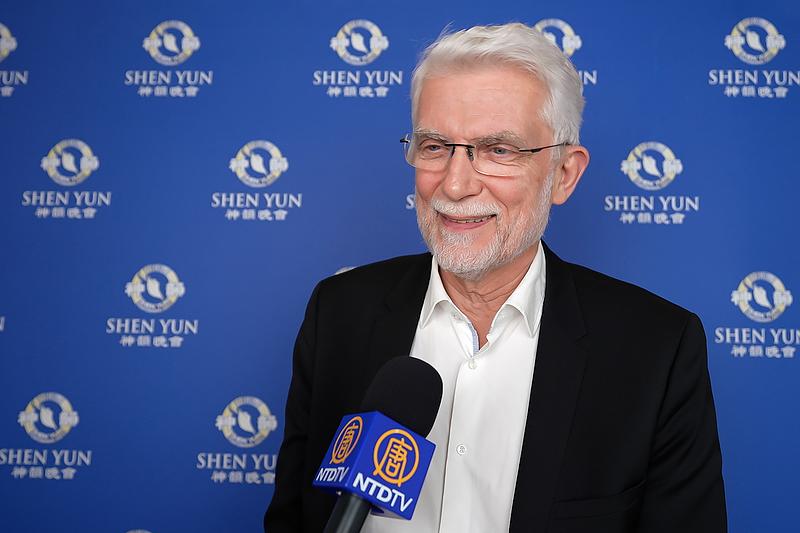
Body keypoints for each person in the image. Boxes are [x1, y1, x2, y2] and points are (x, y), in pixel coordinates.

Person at [264, 22, 726, 532]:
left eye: (498, 150)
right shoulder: (338, 314)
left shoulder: (656, 349)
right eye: (434, 146)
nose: (455, 184)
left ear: (564, 174)